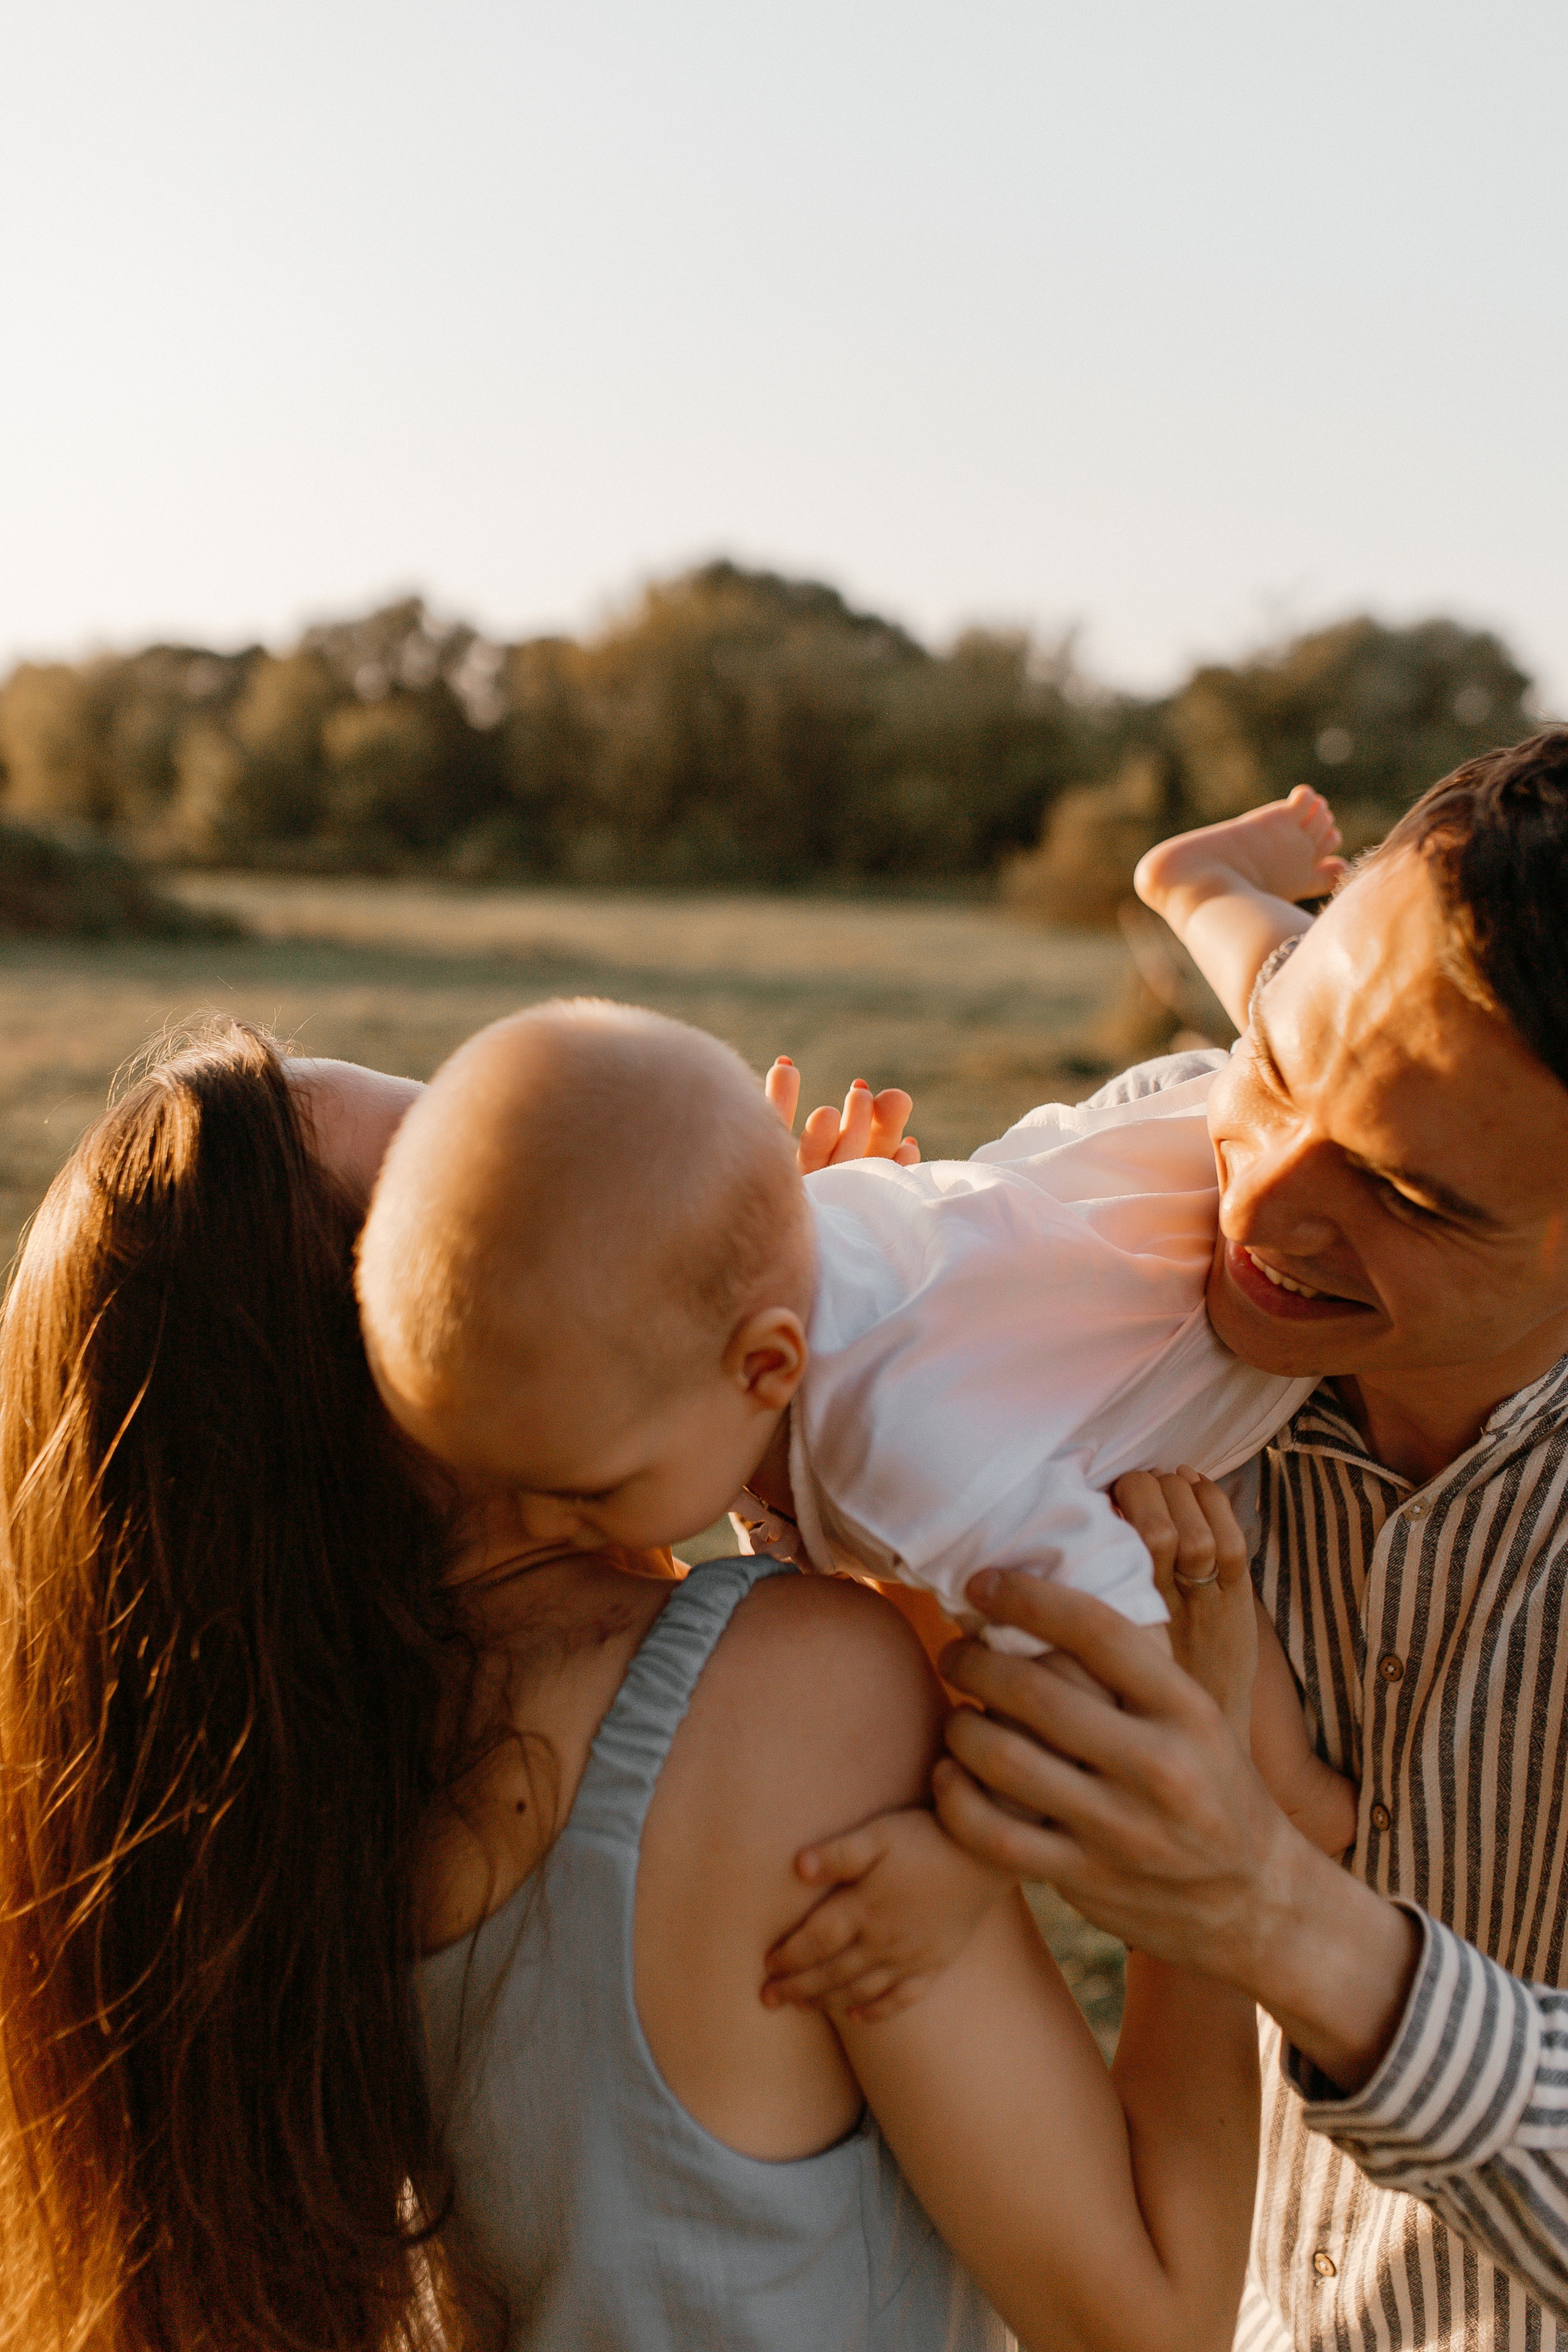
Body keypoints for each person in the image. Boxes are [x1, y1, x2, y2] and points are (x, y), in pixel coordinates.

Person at [0, 1019, 1262, 2352]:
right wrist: (1210, 1808)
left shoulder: (260, 1806)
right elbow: (1152, 2316)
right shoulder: (790, 1702)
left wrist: (773, 1428)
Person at [355, 791, 1354, 1856]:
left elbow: (1113, 1652)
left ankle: (1307, 1807)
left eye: (594, 1491)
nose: (557, 1526)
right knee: (1316, 1027)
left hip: (1242, 1257)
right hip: (1139, 1156)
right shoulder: (734, 1282)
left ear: (768, 1366)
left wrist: (955, 1853)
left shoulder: (914, 1455)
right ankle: (1207, 890)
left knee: (1349, 1057)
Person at [928, 729, 1568, 2350]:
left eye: (1410, 1200)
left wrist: (1277, 1912)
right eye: (1273, 1064)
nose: (1261, 1208)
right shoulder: (1145, 1316)